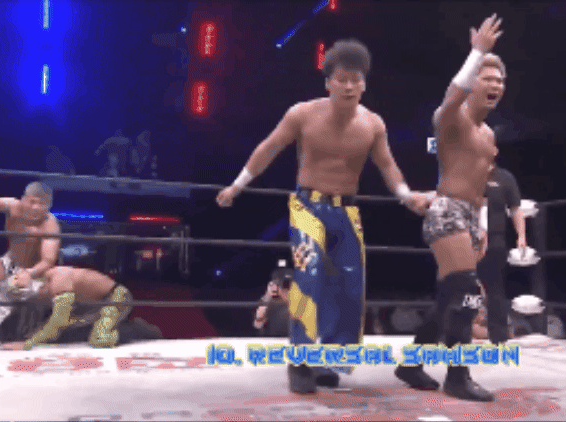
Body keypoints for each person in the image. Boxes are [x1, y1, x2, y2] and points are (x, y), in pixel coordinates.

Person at [216, 39, 431, 394]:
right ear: (328, 82)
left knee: (349, 284)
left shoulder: (373, 124)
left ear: (364, 84)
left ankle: (329, 361)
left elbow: (387, 165)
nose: (349, 86)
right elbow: (269, 147)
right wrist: (237, 186)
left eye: (355, 80)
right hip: (307, 207)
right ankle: (300, 361)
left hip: (347, 210)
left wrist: (407, 196)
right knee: (310, 274)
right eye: (342, 79)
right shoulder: (302, 114)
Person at [394, 14, 504, 402]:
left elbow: (484, 184)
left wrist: (483, 224)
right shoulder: (452, 120)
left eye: (500, 80)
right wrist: (477, 53)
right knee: (467, 293)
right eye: (487, 78)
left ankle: (411, 363)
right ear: (473, 83)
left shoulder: (489, 135)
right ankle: (458, 377)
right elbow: (451, 94)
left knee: (449, 298)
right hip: (447, 212)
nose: (495, 85)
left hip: (471, 216)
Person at [0, 182, 60, 345]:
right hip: (10, 262)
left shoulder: (50, 224)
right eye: (32, 202)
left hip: (35, 273)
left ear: (49, 205)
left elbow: (48, 260)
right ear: (23, 199)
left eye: (41, 204)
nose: (35, 207)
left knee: (12, 288)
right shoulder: (13, 207)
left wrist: (29, 273)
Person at [0, 266, 136, 350]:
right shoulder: (49, 277)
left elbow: (57, 323)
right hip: (95, 303)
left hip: (117, 297)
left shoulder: (58, 281)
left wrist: (28, 344)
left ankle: (132, 330)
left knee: (99, 339)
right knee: (70, 323)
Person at [476, 164, 526, 345]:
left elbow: (515, 208)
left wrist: (521, 236)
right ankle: (454, 332)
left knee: (495, 287)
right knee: (460, 283)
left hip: (495, 240)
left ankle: (498, 337)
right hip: (468, 236)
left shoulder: (505, 177)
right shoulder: (467, 170)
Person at [253, 268, 292, 337]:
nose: (286, 289)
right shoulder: (269, 301)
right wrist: (268, 295)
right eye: (283, 286)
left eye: (288, 286)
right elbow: (258, 325)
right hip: (274, 340)